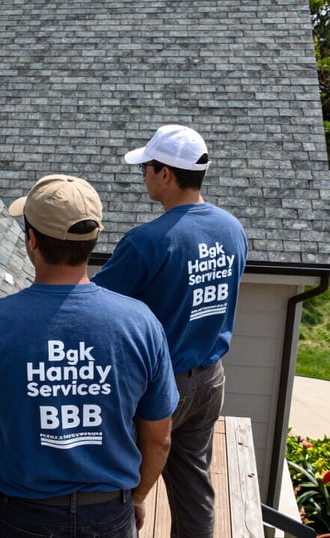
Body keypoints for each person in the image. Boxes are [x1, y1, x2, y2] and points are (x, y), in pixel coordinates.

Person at [0, 174, 179, 538]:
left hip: (24, 518)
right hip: (110, 514)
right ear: (93, 239)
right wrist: (137, 498)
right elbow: (159, 438)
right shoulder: (141, 324)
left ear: (32, 240)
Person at [92, 125, 248, 538]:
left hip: (161, 388)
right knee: (194, 487)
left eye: (145, 167)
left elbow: (91, 307)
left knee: (120, 486)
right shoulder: (232, 229)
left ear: (165, 173)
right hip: (210, 380)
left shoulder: (149, 242)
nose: (142, 175)